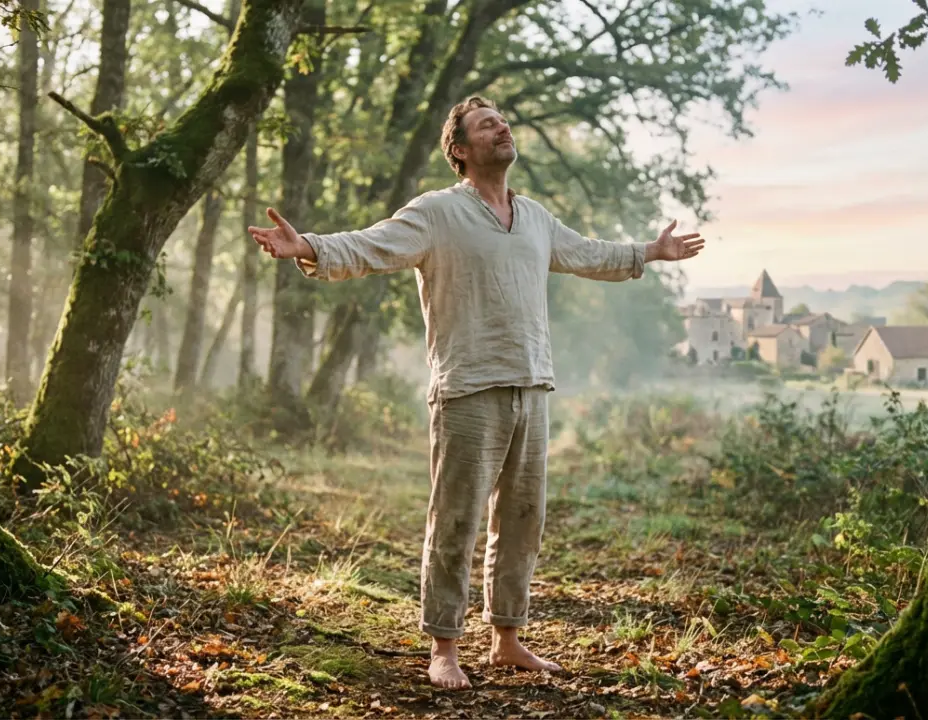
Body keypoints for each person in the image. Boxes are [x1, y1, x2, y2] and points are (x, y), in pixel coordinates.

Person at [248, 96, 705, 689]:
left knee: (522, 521)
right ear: (460, 150)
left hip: (531, 383)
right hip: (466, 386)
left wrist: (650, 252)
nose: (502, 127)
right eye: (488, 124)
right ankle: (444, 646)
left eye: (503, 120)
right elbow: (372, 245)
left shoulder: (535, 217)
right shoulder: (437, 212)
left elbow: (588, 253)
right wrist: (308, 246)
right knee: (456, 520)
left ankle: (507, 640)